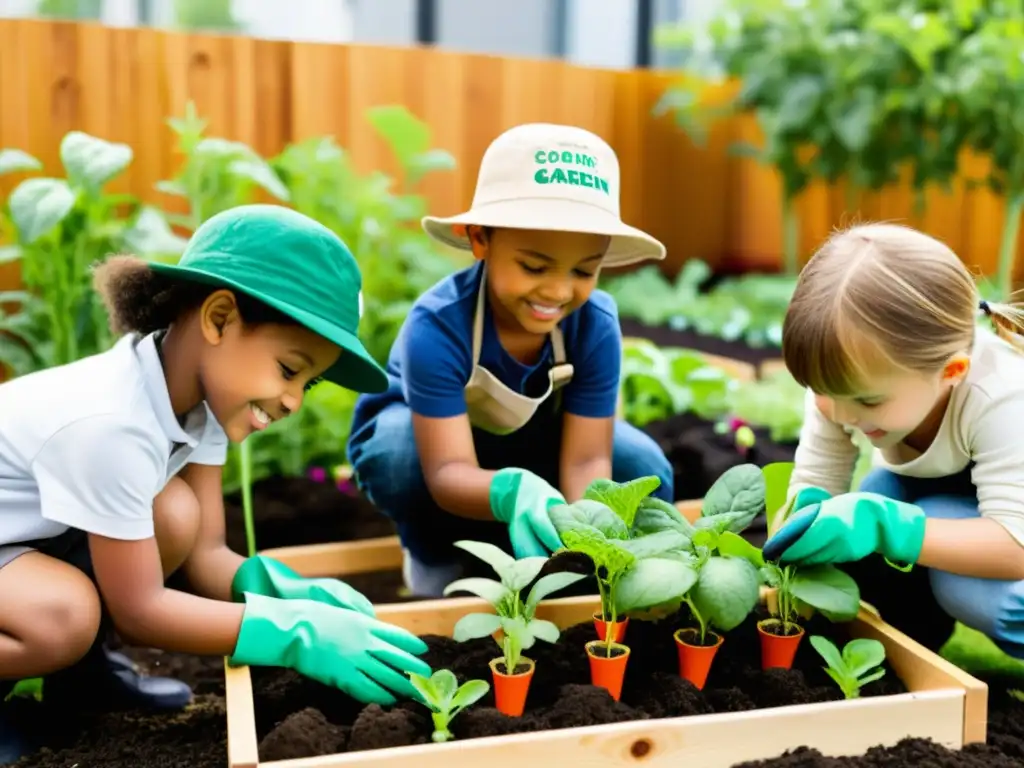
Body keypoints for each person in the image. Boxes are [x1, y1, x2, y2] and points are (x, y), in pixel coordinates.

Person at [0, 204, 431, 763]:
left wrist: (278, 588)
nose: (294, 401)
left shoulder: (196, 402)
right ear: (220, 318)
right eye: (288, 369)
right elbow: (142, 610)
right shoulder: (110, 425)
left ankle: (80, 681)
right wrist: (291, 633)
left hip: (20, 543)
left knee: (175, 515)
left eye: (310, 382)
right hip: (18, 555)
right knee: (62, 618)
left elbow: (203, 553)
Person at [346, 122, 674, 598]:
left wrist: (583, 543)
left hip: (541, 442)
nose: (558, 290)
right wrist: (510, 492)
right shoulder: (437, 326)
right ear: (480, 239)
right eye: (534, 266)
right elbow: (446, 472)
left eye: (584, 270)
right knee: (395, 453)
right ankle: (434, 556)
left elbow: (587, 460)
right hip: (440, 453)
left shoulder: (594, 323)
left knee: (640, 463)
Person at [762, 222, 1024, 659]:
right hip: (959, 498)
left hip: (1013, 532)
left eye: (867, 401)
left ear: (950, 373)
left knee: (942, 557)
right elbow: (817, 481)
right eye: (824, 392)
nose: (842, 414)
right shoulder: (842, 383)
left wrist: (887, 526)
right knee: (876, 496)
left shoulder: (1001, 397)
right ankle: (914, 640)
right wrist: (798, 531)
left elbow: (1013, 546)